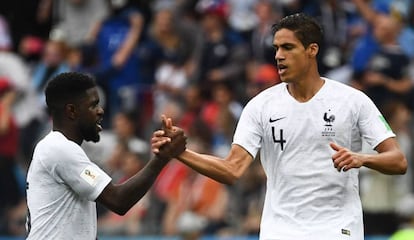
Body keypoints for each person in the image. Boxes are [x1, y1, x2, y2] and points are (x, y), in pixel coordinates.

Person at [153, 13, 408, 240]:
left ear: (312, 50)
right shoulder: (260, 106)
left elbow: (398, 161)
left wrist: (362, 158)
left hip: (336, 229)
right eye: (276, 48)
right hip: (280, 231)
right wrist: (181, 154)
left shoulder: (353, 101)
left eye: (288, 47)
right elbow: (232, 169)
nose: (279, 56)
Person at [25, 72, 186, 239]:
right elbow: (118, 201)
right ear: (71, 111)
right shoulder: (59, 149)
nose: (101, 111)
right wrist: (162, 158)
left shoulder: (57, 148)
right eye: (93, 105)